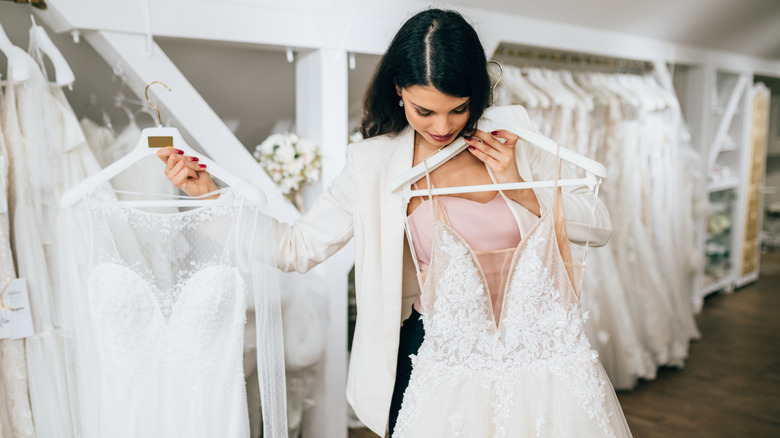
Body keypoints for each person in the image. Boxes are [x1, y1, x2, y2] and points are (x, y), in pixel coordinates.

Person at [157, 8, 618, 437]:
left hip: (533, 356)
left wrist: (520, 186)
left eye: (458, 108)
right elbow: (295, 248)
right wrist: (209, 199)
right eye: (425, 111)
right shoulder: (373, 164)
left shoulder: (513, 135)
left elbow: (597, 227)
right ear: (398, 90)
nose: (442, 127)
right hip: (432, 354)